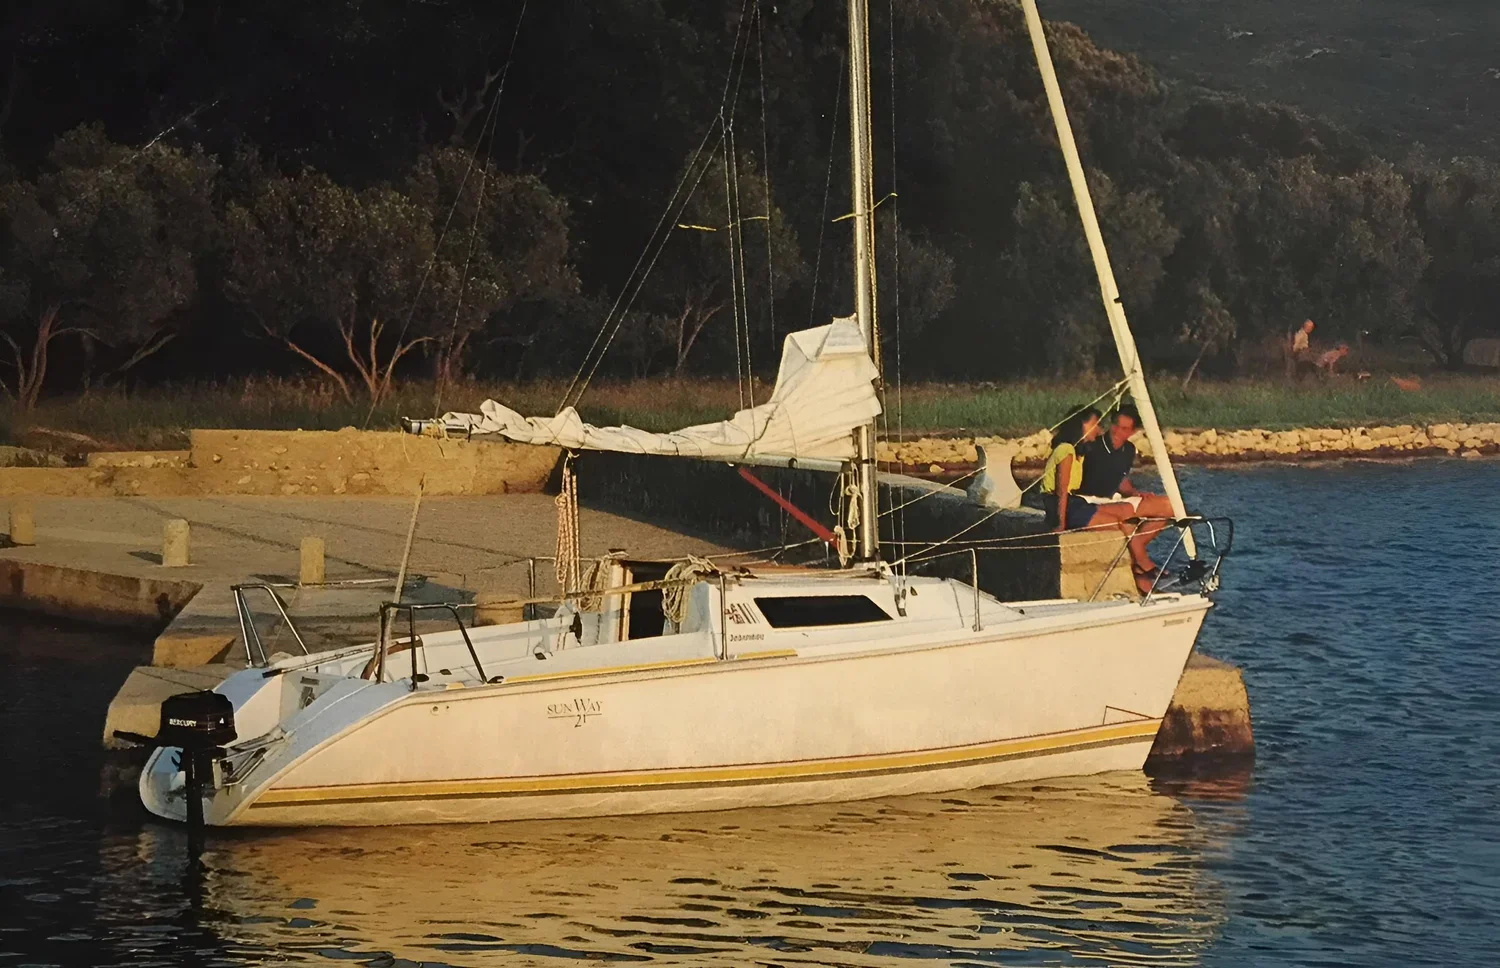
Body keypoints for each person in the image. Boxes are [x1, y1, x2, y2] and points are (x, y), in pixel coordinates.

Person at [1037, 405, 1161, 594]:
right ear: (1082, 425)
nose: (1099, 430)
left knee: (1128, 522)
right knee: (1121, 526)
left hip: (1077, 503)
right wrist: (1060, 524)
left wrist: (1135, 493)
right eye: (1094, 425)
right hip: (1066, 505)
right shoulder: (1066, 451)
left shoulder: (1076, 451)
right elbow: (1061, 491)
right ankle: (1143, 569)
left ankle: (1138, 573)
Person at [1078, 403, 1175, 584]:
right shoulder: (1093, 445)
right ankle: (1141, 558)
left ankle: (1136, 550)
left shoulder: (1129, 450)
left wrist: (1135, 492)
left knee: (1171, 506)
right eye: (1115, 425)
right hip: (1090, 500)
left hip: (1115, 499)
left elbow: (1120, 478)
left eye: (1123, 429)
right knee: (1127, 513)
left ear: (1132, 431)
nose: (1116, 431)